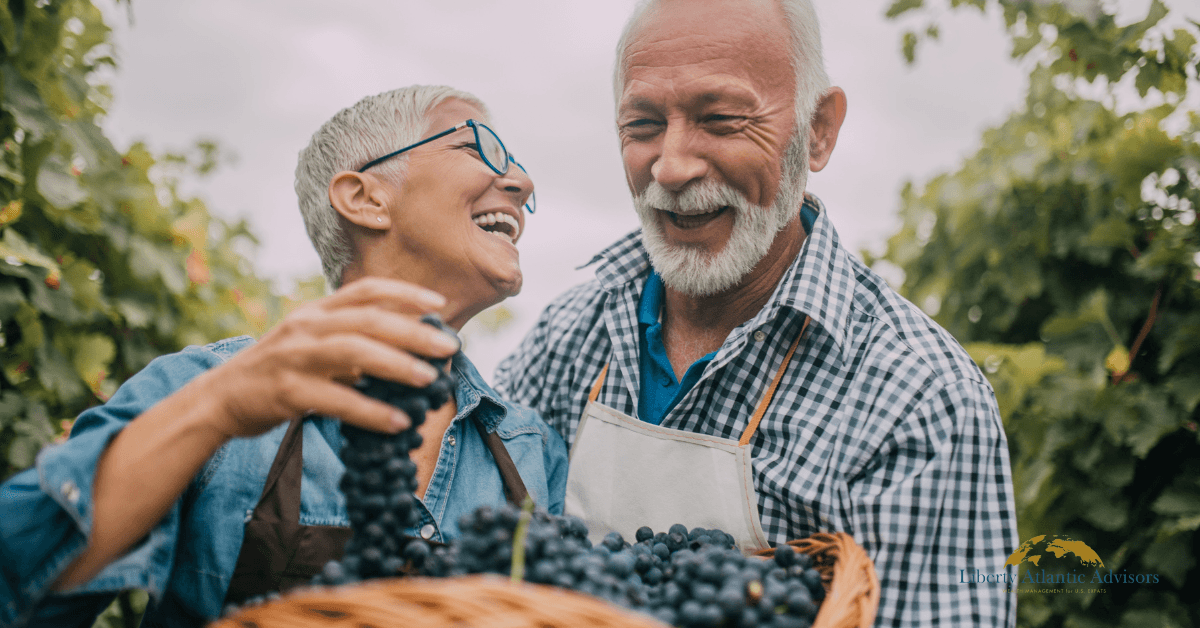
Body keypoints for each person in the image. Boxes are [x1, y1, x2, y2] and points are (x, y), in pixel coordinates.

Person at [493, 0, 1018, 626]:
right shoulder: (572, 331)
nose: (672, 166)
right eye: (642, 124)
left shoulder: (920, 399)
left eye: (720, 120)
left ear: (817, 130)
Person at [0, 85, 568, 627]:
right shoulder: (201, 389)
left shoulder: (531, 450)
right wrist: (214, 411)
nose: (519, 179)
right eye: (478, 147)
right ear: (366, 198)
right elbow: (17, 591)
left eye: (514, 162)